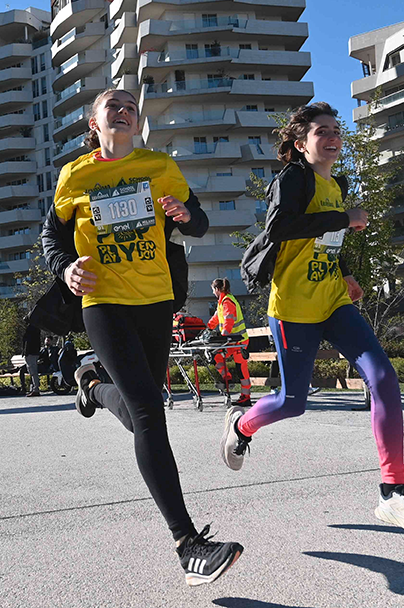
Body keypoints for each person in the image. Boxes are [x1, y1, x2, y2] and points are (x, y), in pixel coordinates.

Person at [43, 88, 243, 586]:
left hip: (155, 303)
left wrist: (185, 215)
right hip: (104, 304)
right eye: (113, 105)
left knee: (142, 414)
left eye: (130, 106)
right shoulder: (74, 175)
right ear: (94, 123)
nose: (123, 110)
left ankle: (91, 387)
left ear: (138, 122)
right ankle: (187, 544)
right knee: (151, 412)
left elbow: (199, 223)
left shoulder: (160, 167)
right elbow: (51, 237)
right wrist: (65, 268)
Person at [221, 102, 404, 533]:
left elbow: (324, 240)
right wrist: (344, 217)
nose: (332, 137)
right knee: (292, 402)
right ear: (300, 143)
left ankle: (393, 492)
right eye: (321, 131)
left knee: (383, 378)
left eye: (336, 131)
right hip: (294, 308)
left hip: (334, 302)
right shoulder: (292, 179)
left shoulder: (336, 185)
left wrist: (344, 272)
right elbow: (280, 228)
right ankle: (242, 425)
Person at [207, 279, 251, 406]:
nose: (213, 293)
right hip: (233, 341)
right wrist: (207, 328)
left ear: (217, 289)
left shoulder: (227, 301)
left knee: (241, 369)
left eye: (213, 290)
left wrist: (223, 336)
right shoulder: (222, 302)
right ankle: (227, 378)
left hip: (239, 341)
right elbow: (216, 318)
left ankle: (246, 397)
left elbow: (228, 320)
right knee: (215, 356)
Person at [20, 322, 42, 397]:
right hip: (34, 353)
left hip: (30, 353)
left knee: (33, 372)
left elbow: (27, 341)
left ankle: (36, 389)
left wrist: (25, 352)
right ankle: (34, 388)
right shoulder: (37, 328)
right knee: (33, 371)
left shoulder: (30, 329)